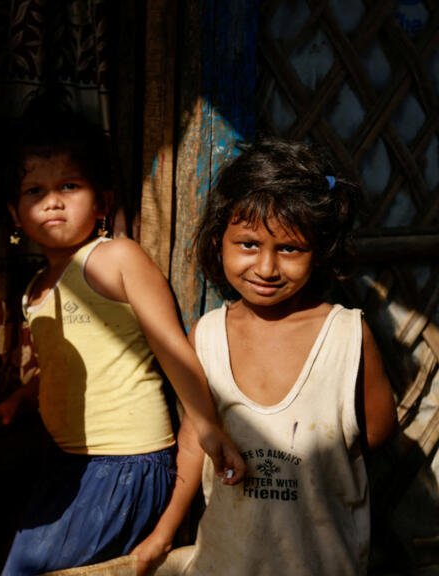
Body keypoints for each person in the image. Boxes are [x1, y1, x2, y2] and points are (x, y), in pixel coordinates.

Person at [0, 93, 245, 575]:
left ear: (103, 201)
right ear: (15, 212)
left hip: (124, 465)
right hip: (69, 463)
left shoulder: (115, 258)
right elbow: (70, 368)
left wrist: (209, 428)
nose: (53, 202)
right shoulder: (37, 290)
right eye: (35, 192)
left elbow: (171, 348)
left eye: (69, 185)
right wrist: (22, 401)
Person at [130, 137, 397, 575]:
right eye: (249, 244)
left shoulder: (346, 336)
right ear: (220, 241)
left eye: (290, 249)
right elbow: (196, 439)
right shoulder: (209, 336)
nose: (267, 268)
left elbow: (377, 430)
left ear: (320, 250)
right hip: (226, 561)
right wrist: (163, 535)